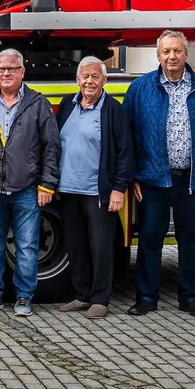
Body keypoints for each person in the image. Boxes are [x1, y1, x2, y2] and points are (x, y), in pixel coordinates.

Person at [122, 30, 195, 319]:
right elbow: (126, 136)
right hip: (153, 179)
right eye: (166, 51)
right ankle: (146, 297)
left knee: (191, 240)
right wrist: (132, 176)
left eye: (177, 51)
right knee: (149, 238)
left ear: (186, 54)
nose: (172, 56)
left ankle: (190, 297)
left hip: (191, 180)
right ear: (158, 56)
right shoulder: (140, 88)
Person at [0, 48, 60, 318]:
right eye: (1, 69)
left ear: (22, 72)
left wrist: (47, 184)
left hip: (27, 188)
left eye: (12, 68)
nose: (6, 73)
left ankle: (24, 297)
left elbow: (51, 146)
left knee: (27, 246)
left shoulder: (37, 103)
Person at [54, 56, 133, 319]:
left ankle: (101, 298)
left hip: (98, 192)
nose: (89, 81)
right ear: (77, 80)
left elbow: (125, 153)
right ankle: (81, 295)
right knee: (76, 246)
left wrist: (118, 189)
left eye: (95, 76)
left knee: (101, 248)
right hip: (69, 190)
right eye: (85, 76)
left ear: (104, 80)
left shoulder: (113, 110)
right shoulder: (67, 104)